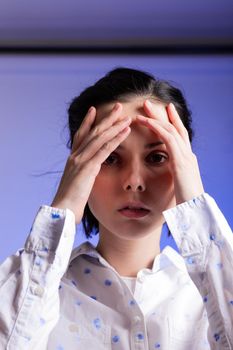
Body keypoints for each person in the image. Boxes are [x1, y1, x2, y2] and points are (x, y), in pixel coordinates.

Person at [0, 67, 232, 350]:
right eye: (109, 158)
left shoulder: (210, 294)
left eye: (158, 157)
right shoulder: (35, 295)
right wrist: (64, 208)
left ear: (185, 166)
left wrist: (196, 205)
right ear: (80, 166)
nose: (134, 182)